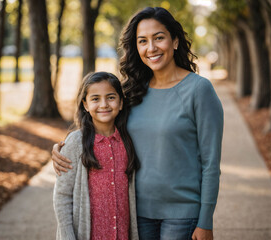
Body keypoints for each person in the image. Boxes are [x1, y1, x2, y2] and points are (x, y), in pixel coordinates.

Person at [52, 7, 223, 240]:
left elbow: (211, 163)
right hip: (135, 214)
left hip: (182, 214)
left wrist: (206, 220)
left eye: (159, 38)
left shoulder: (199, 90)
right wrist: (63, 148)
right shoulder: (131, 92)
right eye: (142, 41)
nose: (151, 48)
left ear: (175, 41)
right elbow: (101, 126)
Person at [53, 71, 140, 240]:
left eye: (111, 97)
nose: (104, 104)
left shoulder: (128, 140)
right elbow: (62, 196)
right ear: (85, 104)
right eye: (95, 99)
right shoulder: (76, 142)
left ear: (121, 103)